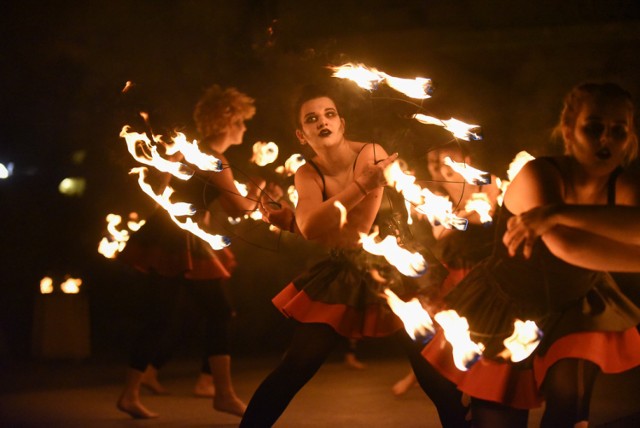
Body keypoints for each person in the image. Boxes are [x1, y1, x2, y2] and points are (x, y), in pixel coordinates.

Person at [241, 83, 471, 427]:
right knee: (297, 365)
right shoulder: (307, 173)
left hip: (399, 270)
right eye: (312, 118)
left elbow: (358, 229)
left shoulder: (371, 153)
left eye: (329, 114)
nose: (323, 121)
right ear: (302, 136)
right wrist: (306, 218)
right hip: (346, 271)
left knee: (431, 376)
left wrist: (302, 221)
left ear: (342, 123)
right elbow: (312, 228)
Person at [422, 82, 640, 427]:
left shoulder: (624, 185)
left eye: (618, 131)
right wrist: (554, 214)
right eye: (594, 128)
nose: (606, 140)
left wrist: (555, 214)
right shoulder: (539, 174)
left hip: (574, 305)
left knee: (570, 401)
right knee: (498, 417)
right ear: (568, 130)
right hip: (508, 303)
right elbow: (567, 247)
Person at [116, 84, 263, 419]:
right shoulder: (215, 159)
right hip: (179, 239)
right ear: (228, 120)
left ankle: (131, 393)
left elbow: (177, 193)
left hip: (171, 236)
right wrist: (260, 197)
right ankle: (221, 394)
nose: (244, 127)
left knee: (163, 318)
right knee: (217, 312)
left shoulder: (189, 152)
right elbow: (238, 208)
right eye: (241, 121)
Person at [393, 141, 500, 396]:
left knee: (480, 328)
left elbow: (484, 214)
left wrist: (455, 214)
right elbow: (442, 232)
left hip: (486, 268)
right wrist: (457, 214)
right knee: (443, 325)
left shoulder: (488, 180)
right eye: (436, 162)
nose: (442, 166)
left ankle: (480, 385)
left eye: (448, 159)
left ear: (468, 160)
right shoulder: (435, 196)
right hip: (454, 267)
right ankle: (429, 378)